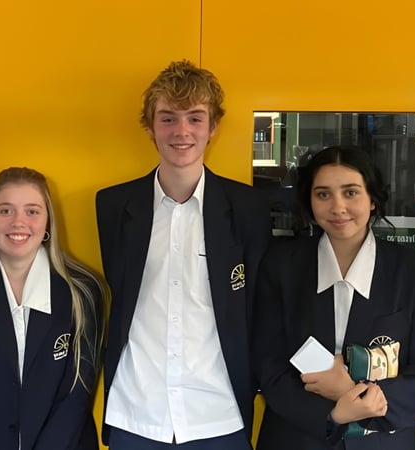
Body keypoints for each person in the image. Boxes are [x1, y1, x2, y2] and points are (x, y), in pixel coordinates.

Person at [95, 60, 271, 449]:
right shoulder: (113, 206)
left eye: (195, 118)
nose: (182, 131)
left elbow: (255, 303)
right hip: (135, 411)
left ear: (213, 127)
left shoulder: (249, 209)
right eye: (168, 118)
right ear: (149, 126)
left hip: (219, 412)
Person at [253, 146, 415, 449]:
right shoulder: (281, 267)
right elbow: (268, 366)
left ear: (372, 199)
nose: (338, 207)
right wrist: (333, 413)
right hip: (298, 437)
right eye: (323, 194)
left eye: (351, 193)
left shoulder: (414, 273)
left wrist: (354, 395)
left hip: (383, 441)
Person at [0, 167, 106, 450]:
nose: (18, 222)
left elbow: (76, 395)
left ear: (48, 221)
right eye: (5, 211)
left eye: (32, 211)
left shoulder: (83, 292)